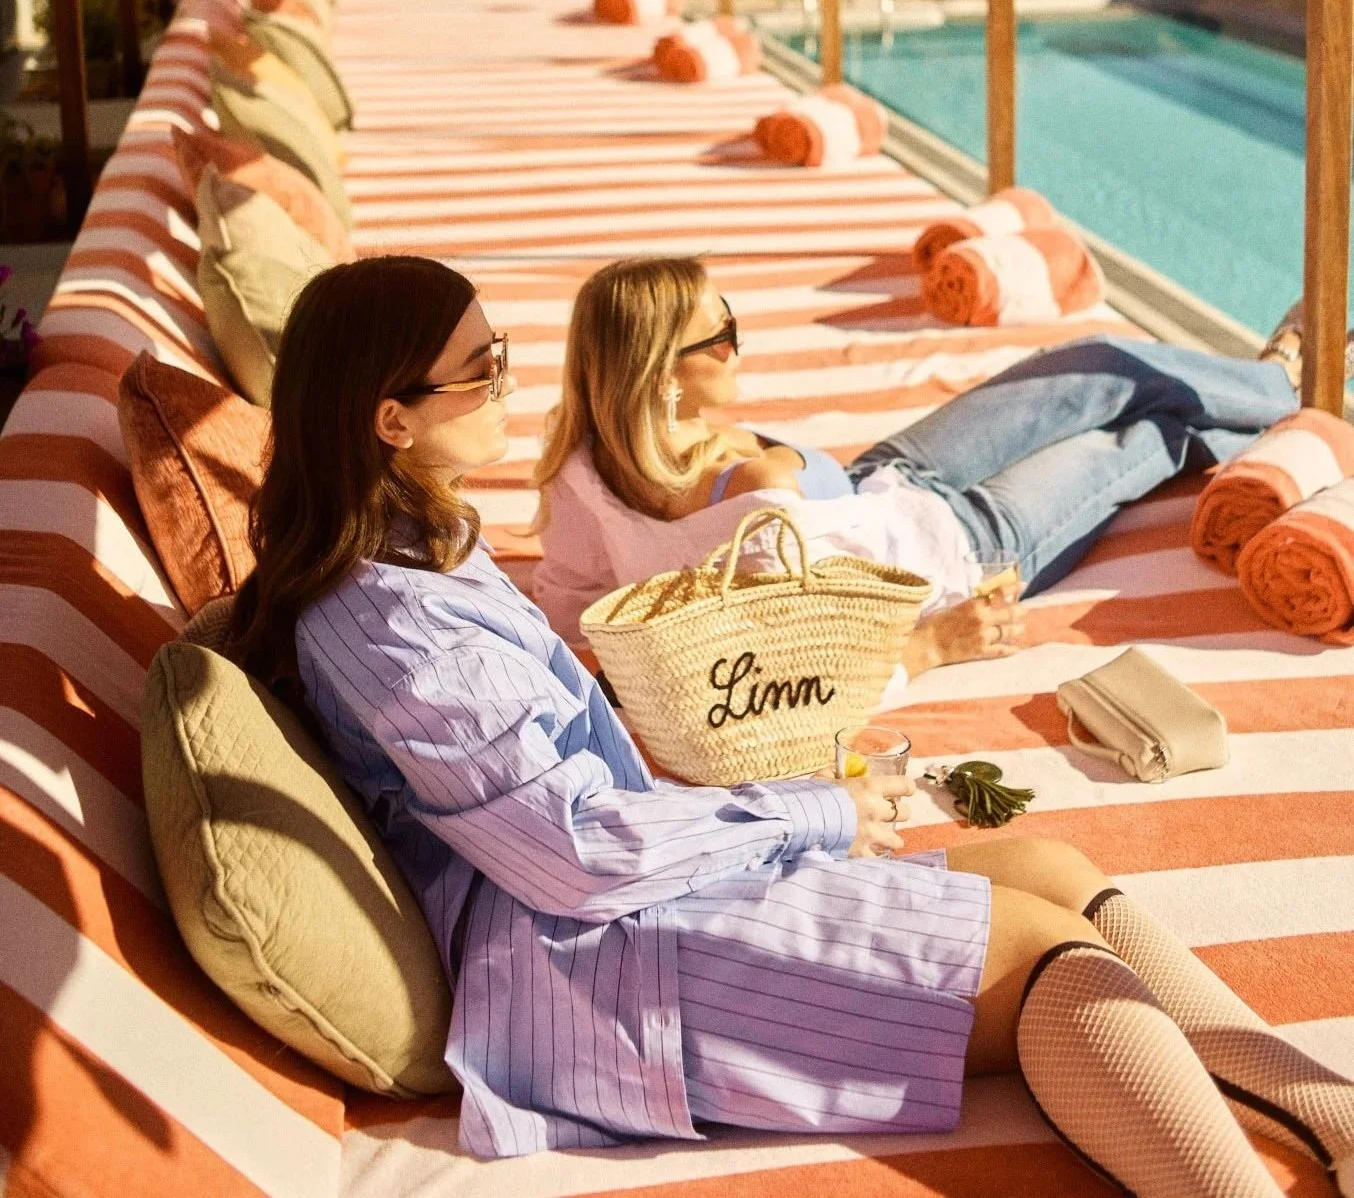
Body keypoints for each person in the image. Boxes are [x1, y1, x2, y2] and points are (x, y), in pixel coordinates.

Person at [226, 257, 1354, 1193]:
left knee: (1053, 868)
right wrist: (813, 810)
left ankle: (1332, 1118)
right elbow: (573, 854)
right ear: (391, 419)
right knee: (1047, 962)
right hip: (605, 972)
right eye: (483, 369)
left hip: (628, 910)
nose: (510, 384)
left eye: (505, 354)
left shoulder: (417, 550)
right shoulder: (401, 632)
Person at [533, 257, 1300, 666]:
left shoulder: (582, 465)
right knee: (1144, 438)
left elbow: (569, 602)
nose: (740, 344)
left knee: (1097, 363)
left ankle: (1278, 383)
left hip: (883, 475)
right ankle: (1292, 395)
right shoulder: (758, 523)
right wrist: (932, 645)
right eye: (722, 336)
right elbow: (806, 675)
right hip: (966, 545)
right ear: (661, 372)